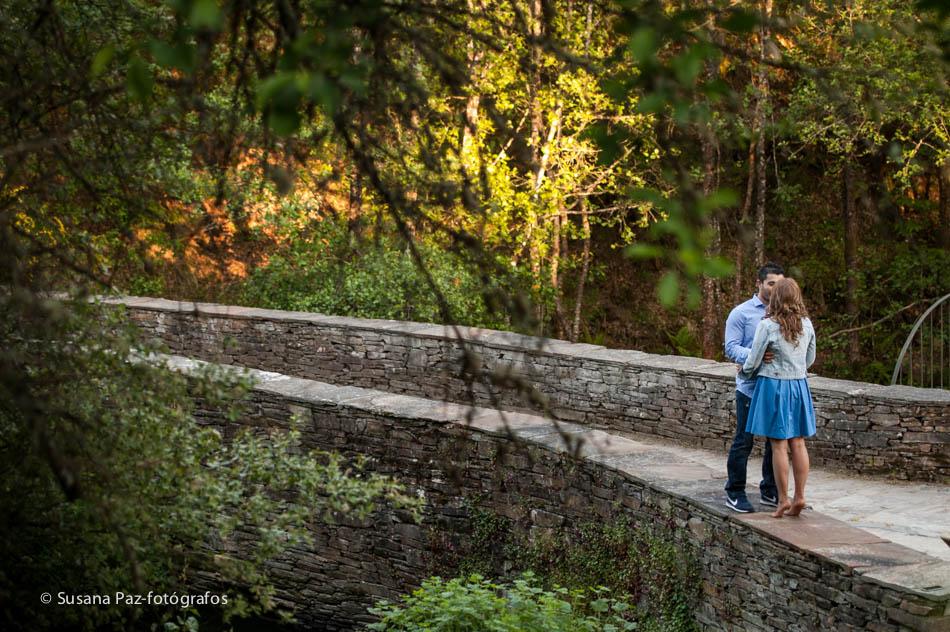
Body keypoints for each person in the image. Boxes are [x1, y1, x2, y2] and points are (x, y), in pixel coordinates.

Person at [740, 277, 817, 518]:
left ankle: (783, 499)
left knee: (779, 445)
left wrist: (743, 372)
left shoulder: (767, 326)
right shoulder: (807, 324)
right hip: (799, 385)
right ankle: (800, 496)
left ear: (775, 298)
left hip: (773, 386)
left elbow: (753, 360)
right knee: (798, 442)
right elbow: (810, 359)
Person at [723, 263, 784, 513]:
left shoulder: (786, 313)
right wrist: (755, 355)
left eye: (780, 284)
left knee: (775, 442)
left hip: (777, 385)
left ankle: (770, 491)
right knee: (744, 441)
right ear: (759, 284)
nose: (776, 288)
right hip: (750, 387)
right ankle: (735, 492)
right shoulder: (741, 313)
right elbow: (730, 348)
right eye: (771, 283)